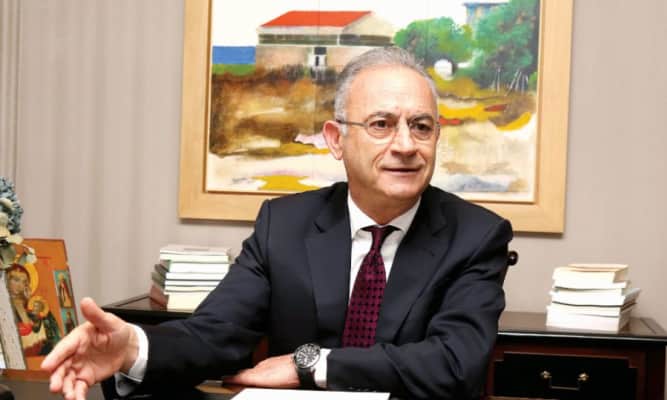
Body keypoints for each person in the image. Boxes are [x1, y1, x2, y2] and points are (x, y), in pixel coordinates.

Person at [42, 47, 513, 400]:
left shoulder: (476, 236)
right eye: (381, 124)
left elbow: (455, 364)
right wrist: (132, 348)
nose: (406, 145)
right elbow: (215, 334)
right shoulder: (284, 225)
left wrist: (310, 365)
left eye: (422, 126)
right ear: (336, 139)